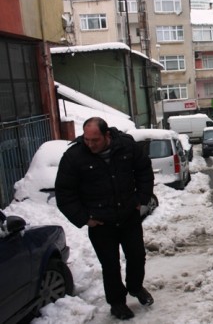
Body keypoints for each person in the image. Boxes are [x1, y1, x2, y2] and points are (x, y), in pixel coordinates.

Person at [55, 117, 155, 320]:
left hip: (128, 216)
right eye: (86, 139)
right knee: (110, 265)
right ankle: (117, 302)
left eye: (95, 140)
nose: (90, 144)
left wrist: (141, 198)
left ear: (107, 135)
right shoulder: (74, 157)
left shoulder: (126, 146)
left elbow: (144, 170)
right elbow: (65, 194)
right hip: (100, 223)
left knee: (137, 256)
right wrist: (85, 218)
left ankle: (135, 287)